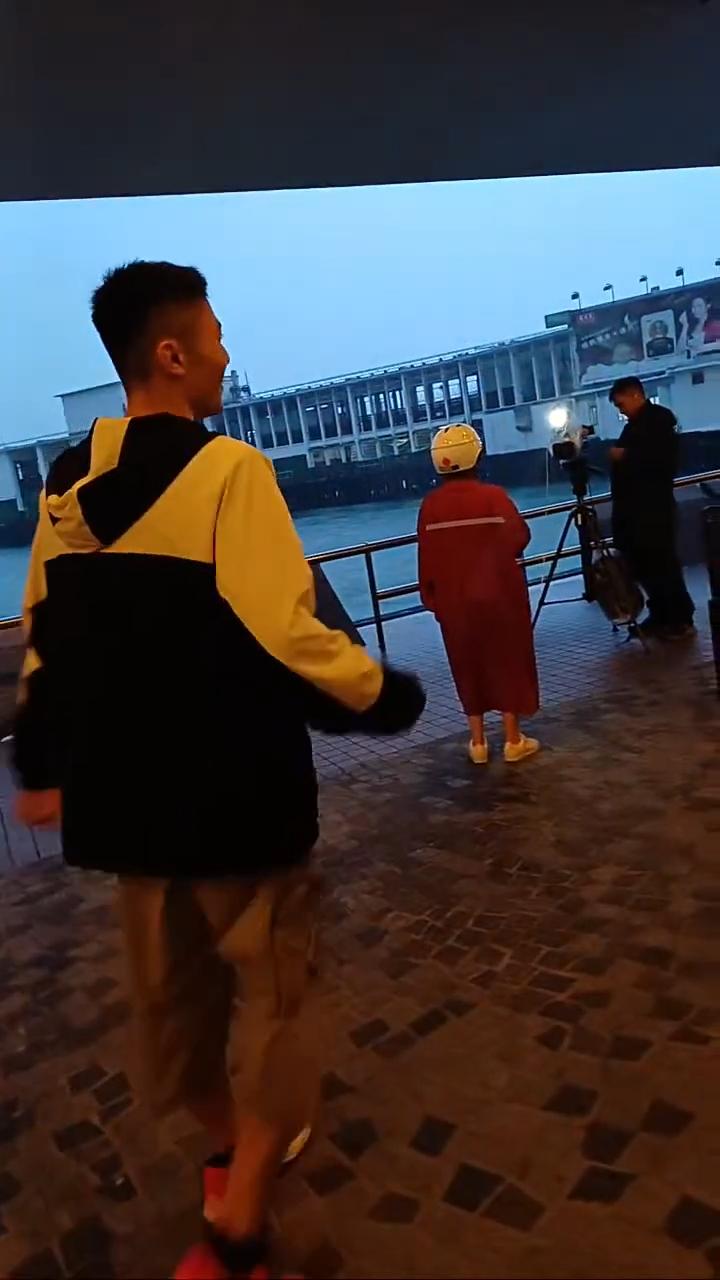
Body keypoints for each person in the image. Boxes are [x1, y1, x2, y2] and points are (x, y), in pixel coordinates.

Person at [12, 260, 425, 1280]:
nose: (226, 356)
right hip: (240, 797)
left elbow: (43, 639)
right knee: (279, 998)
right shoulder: (230, 470)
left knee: (174, 1007)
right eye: (216, 336)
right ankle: (240, 1220)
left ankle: (227, 1143)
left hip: (126, 808)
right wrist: (383, 694)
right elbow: (286, 631)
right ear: (172, 353)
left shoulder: (63, 486)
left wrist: (44, 758)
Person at [417, 424, 539, 764]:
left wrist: (433, 598)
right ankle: (513, 740)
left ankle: (478, 743)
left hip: (454, 602)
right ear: (476, 456)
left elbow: (427, 557)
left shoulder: (430, 506)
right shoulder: (494, 497)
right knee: (506, 662)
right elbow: (519, 538)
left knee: (467, 665)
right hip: (499, 596)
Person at [609, 375, 695, 639]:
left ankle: (679, 616)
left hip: (653, 508)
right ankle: (660, 613)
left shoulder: (659, 421)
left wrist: (625, 456)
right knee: (644, 564)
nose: (621, 410)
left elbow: (659, 461)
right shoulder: (637, 425)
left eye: (621, 404)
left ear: (635, 395)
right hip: (635, 509)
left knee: (662, 563)